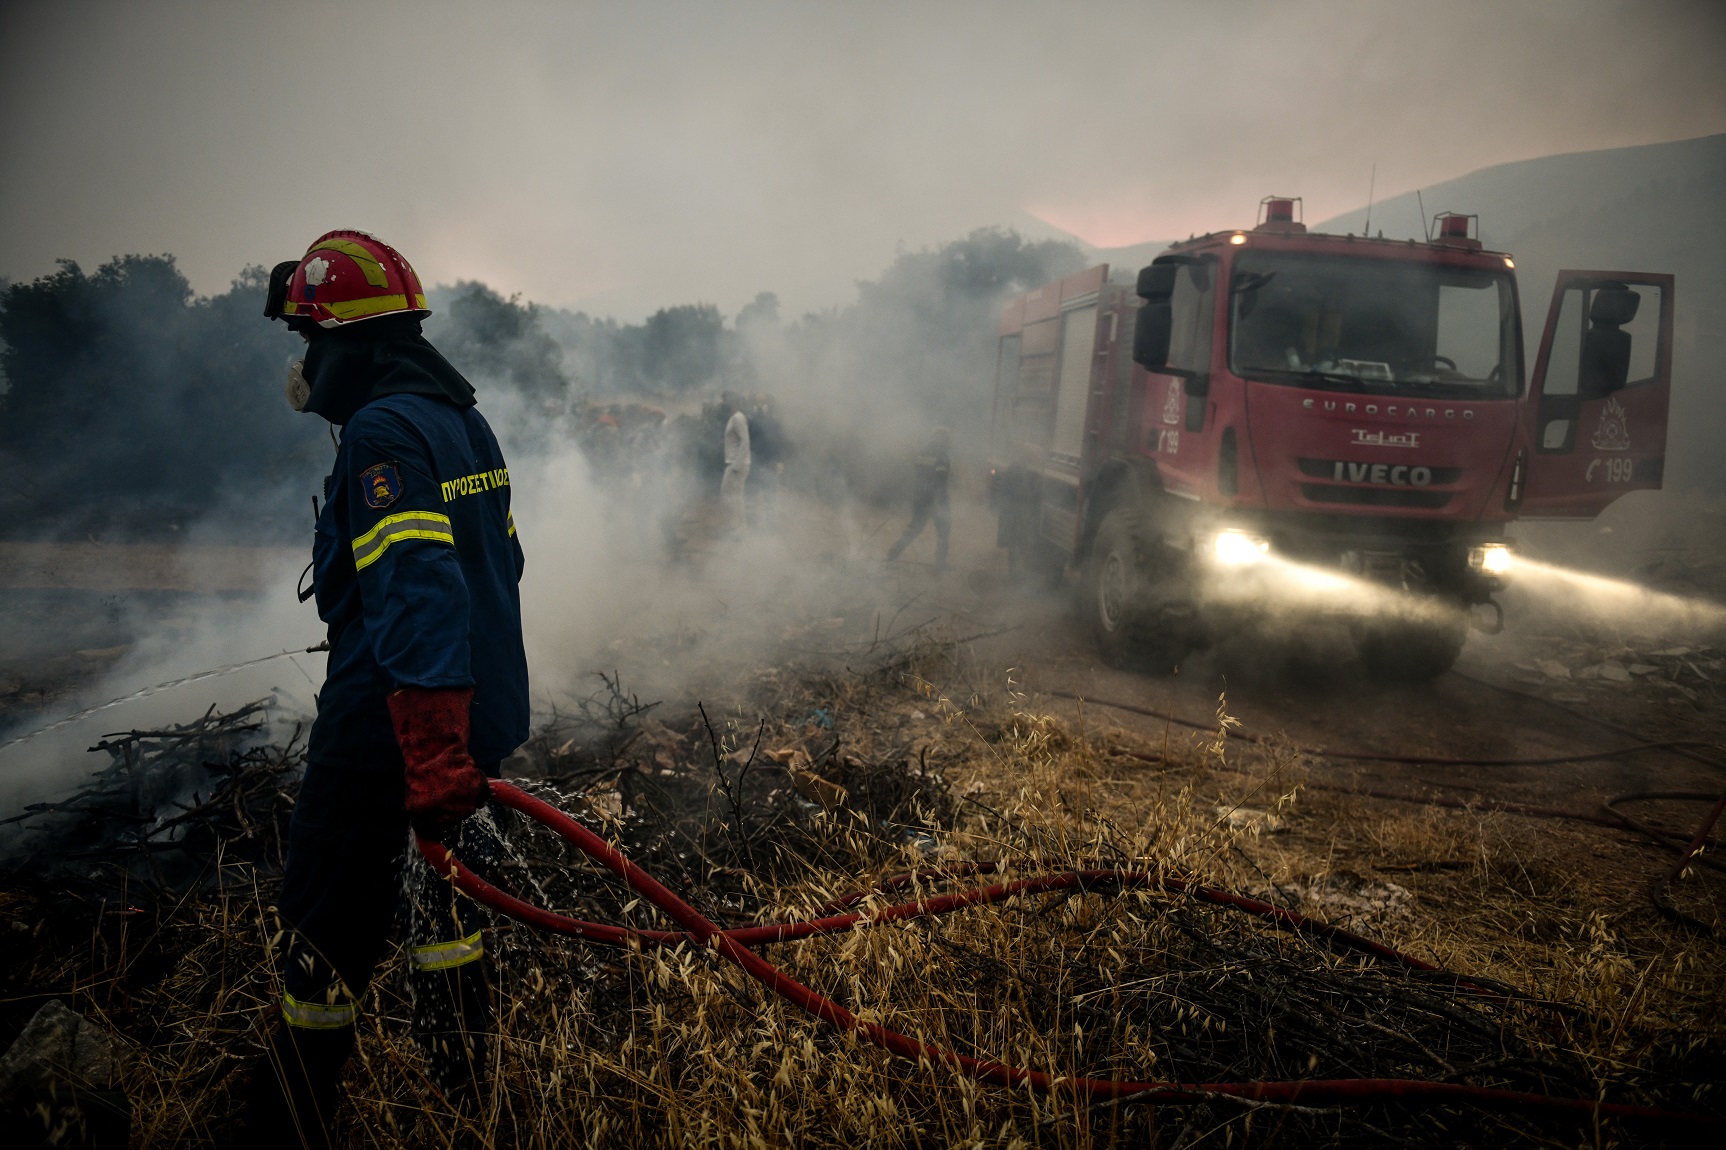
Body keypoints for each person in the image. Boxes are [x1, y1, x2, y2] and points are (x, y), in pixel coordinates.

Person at [245, 230, 529, 1147]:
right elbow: (504, 561)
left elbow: (416, 585)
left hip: (392, 726)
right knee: (448, 921)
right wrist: (461, 736)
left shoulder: (380, 430)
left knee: (326, 922)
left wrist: (427, 739)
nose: (306, 362)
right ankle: (466, 1105)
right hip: (472, 714)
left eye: (309, 342)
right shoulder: (461, 419)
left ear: (350, 346)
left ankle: (290, 1118)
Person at [887, 427, 952, 570]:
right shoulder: (942, 455)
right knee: (944, 529)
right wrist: (941, 502)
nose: (948, 442)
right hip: (935, 499)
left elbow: (916, 473)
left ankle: (893, 554)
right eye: (946, 439)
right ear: (942, 438)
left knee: (915, 528)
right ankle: (940, 564)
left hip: (920, 497)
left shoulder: (922, 451)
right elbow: (941, 480)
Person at [720, 393, 751, 533]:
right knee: (731, 494)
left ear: (732, 402)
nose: (723, 404)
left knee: (734, 495)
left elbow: (745, 441)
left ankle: (740, 527)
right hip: (733, 462)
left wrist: (737, 465)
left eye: (725, 401)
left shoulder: (738, 418)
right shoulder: (733, 418)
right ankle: (735, 525)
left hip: (737, 464)